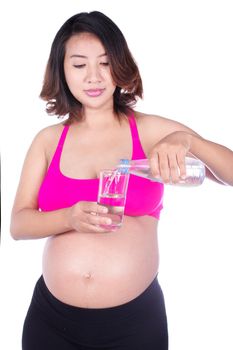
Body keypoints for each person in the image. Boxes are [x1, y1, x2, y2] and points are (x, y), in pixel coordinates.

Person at [10, 11, 233, 350]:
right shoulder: (47, 140)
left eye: (105, 62)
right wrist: (68, 218)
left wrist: (190, 142)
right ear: (62, 70)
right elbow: (18, 223)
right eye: (80, 64)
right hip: (51, 324)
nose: (94, 77)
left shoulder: (147, 129)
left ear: (120, 65)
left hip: (134, 326)